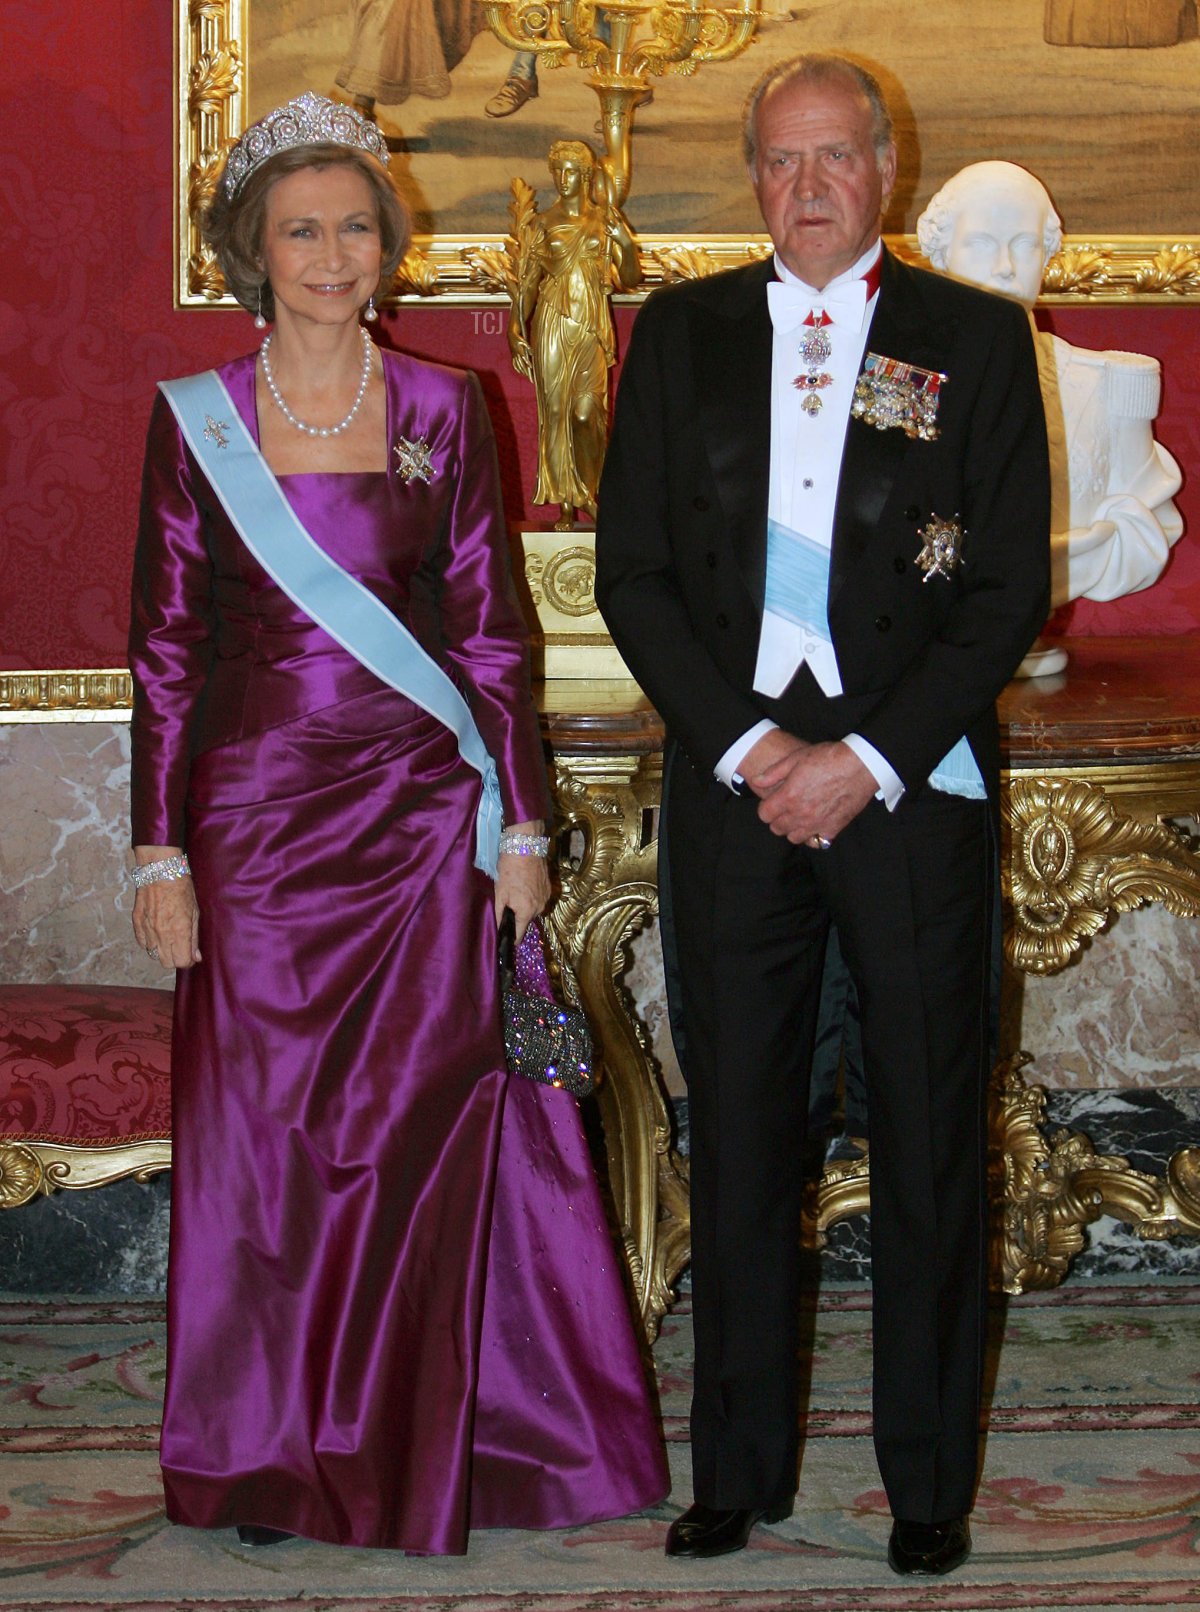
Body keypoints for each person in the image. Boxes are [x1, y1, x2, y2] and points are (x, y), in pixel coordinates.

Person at [128, 90, 667, 1554]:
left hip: (425, 825)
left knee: (424, 1132)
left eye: (355, 224)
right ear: (254, 247)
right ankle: (268, 1454)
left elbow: (493, 636)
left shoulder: (442, 409)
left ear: (388, 240)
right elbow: (169, 648)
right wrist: (160, 848)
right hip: (254, 833)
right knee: (271, 1141)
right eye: (301, 229)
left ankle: (423, 1435)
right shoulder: (196, 424)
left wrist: (523, 826)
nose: (331, 251)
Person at [596, 53, 1050, 1575]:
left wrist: (861, 756)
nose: (807, 187)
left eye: (834, 158)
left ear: (885, 167)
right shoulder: (681, 333)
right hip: (734, 798)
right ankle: (737, 1471)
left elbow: (1002, 595)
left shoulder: (973, 342)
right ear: (752, 175)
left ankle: (927, 1484)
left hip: (910, 793)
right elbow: (632, 576)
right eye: (780, 161)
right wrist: (747, 749)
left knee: (928, 1140)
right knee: (737, 1135)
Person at [917, 160, 1182, 663]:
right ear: (939, 256)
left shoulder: (1102, 385)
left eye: (1024, 244)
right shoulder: (896, 387)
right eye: (981, 243)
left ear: (1048, 254)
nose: (1004, 267)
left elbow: (1148, 527)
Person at [508, 140, 639, 529]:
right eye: (558, 172)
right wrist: (515, 329)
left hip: (591, 327)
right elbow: (528, 284)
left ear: (585, 176)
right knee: (554, 413)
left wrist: (626, 245)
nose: (563, 180)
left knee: (587, 415)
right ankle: (568, 503)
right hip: (552, 321)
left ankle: (591, 493)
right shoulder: (542, 224)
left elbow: (630, 278)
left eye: (570, 172)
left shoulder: (605, 220)